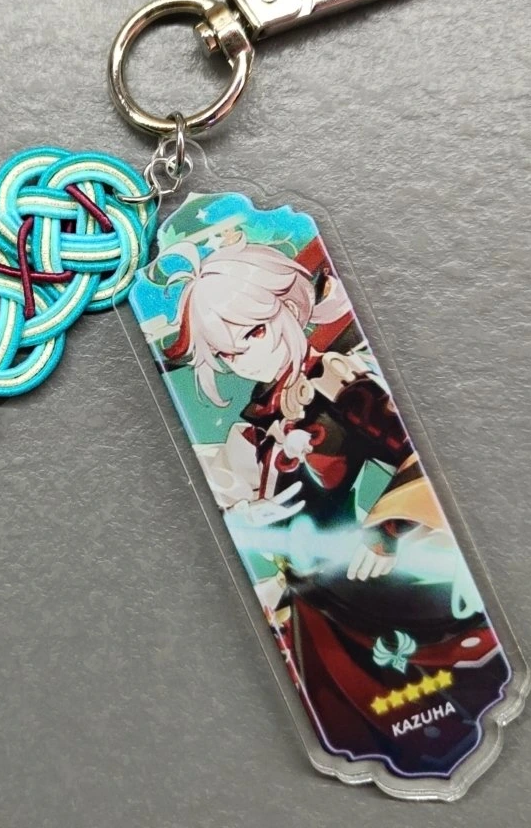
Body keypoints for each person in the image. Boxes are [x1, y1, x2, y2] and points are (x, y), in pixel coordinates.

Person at [159, 234, 510, 776]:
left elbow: (408, 456)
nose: (244, 358)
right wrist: (247, 518)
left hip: (365, 582)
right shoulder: (252, 428)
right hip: (308, 600)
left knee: (434, 684)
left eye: (253, 333)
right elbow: (242, 504)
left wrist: (387, 529)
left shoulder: (340, 386)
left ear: (289, 308)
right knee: (349, 716)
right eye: (227, 353)